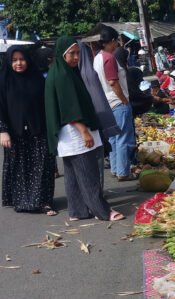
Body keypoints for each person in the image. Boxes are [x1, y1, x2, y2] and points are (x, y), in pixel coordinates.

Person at [44, 35, 124, 222]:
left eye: (78, 53)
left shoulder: (60, 71)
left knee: (73, 173)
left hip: (68, 134)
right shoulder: (63, 75)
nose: (76, 57)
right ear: (62, 54)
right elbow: (68, 107)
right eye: (71, 53)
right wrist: (84, 130)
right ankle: (102, 211)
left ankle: (77, 211)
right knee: (88, 173)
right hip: (75, 131)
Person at [0, 46, 57, 215]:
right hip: (15, 132)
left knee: (42, 166)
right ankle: (23, 201)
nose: (19, 63)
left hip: (39, 130)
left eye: (22, 59)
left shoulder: (37, 79)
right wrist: (3, 131)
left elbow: (48, 104)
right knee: (19, 167)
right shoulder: (3, 81)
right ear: (9, 62)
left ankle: (44, 202)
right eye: (14, 60)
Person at [93, 26, 136, 181]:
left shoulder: (98, 57)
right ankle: (123, 172)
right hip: (117, 102)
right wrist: (124, 100)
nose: (117, 44)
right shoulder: (109, 58)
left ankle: (116, 169)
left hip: (106, 103)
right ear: (111, 41)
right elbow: (113, 82)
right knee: (123, 137)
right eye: (116, 41)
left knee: (114, 138)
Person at [77, 41, 121, 186]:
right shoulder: (88, 72)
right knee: (94, 160)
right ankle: (96, 194)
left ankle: (93, 194)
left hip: (83, 124)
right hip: (91, 122)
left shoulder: (78, 72)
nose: (76, 57)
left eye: (78, 53)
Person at [114, 47, 153, 116]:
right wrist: (150, 98)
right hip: (125, 106)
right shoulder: (125, 73)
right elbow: (135, 94)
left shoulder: (116, 71)